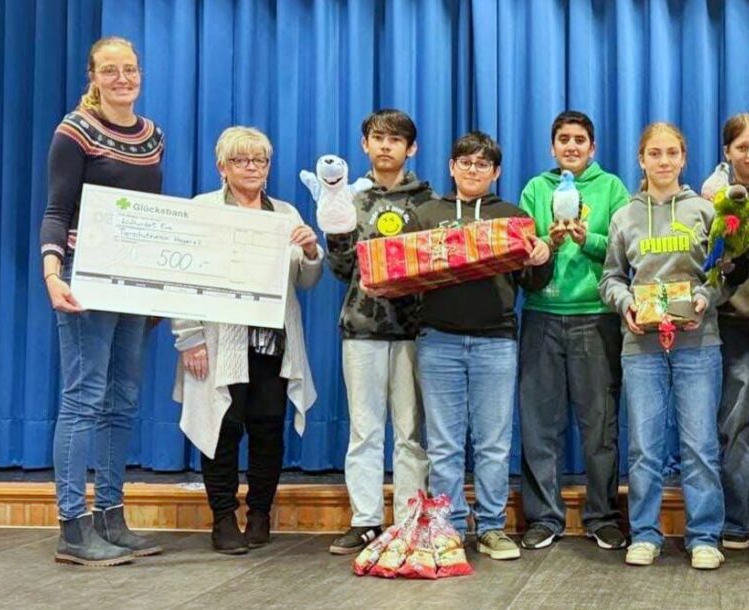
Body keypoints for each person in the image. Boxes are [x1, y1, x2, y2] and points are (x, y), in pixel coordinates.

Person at [39, 36, 164, 566]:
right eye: (110, 70)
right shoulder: (74, 131)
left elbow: (151, 218)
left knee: (122, 400)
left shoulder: (153, 136)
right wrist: (52, 274)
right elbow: (56, 210)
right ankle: (73, 525)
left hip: (132, 280)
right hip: (84, 276)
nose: (122, 78)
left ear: (140, 74)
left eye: (129, 69)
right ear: (93, 76)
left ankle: (111, 516)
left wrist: (158, 285)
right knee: (84, 397)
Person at [401, 131, 552, 561]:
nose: (473, 170)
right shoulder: (426, 214)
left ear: (496, 172)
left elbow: (533, 281)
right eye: (465, 162)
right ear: (451, 167)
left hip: (495, 341)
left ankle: (491, 527)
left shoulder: (513, 217)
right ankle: (447, 529)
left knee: (493, 443)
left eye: (482, 164)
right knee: (444, 445)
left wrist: (543, 257)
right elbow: (404, 277)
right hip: (438, 341)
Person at [172, 126, 323, 554]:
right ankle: (223, 518)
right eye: (241, 160)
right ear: (222, 167)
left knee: (268, 429)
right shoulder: (203, 210)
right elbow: (180, 277)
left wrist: (313, 252)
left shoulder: (286, 213)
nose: (252, 167)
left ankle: (260, 512)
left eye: (260, 160)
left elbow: (305, 281)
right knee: (222, 428)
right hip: (220, 341)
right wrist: (189, 337)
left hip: (274, 342)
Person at [599, 122, 726, 569]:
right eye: (655, 153)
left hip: (697, 342)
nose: (664, 161)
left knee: (700, 445)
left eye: (672, 152)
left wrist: (705, 297)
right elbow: (611, 278)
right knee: (644, 447)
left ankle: (704, 535)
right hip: (642, 346)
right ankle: (645, 533)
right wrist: (626, 303)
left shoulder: (704, 212)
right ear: (641, 160)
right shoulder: (624, 216)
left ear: (684, 158)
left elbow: (722, 273)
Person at [517, 111, 629, 551]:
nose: (571, 146)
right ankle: (544, 517)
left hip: (596, 316)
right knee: (539, 426)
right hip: (541, 315)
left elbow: (626, 250)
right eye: (563, 139)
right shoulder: (535, 189)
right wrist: (550, 242)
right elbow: (523, 249)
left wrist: (588, 240)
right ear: (552, 147)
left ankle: (602, 516)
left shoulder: (612, 188)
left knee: (599, 425)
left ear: (592, 147)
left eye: (580, 139)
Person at [326, 110, 432, 555]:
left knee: (411, 431)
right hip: (362, 326)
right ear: (364, 144)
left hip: (414, 329)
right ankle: (365, 520)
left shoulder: (429, 202)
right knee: (365, 430)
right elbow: (340, 269)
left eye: (396, 139)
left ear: (411, 148)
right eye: (378, 137)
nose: (386, 145)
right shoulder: (348, 198)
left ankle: (410, 519)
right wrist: (335, 236)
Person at [699, 114, 749, 550]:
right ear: (727, 153)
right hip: (732, 323)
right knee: (734, 424)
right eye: (741, 147)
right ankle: (736, 519)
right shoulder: (712, 200)